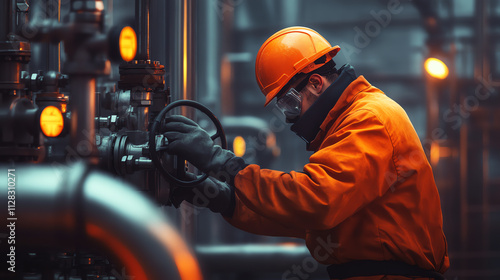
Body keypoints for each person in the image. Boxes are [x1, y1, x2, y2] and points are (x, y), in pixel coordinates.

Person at [163, 26, 449, 279]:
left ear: (315, 83)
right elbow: (307, 220)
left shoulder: (369, 118)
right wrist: (225, 200)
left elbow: (316, 201)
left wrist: (219, 161)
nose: (289, 116)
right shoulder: (349, 122)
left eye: (289, 102)